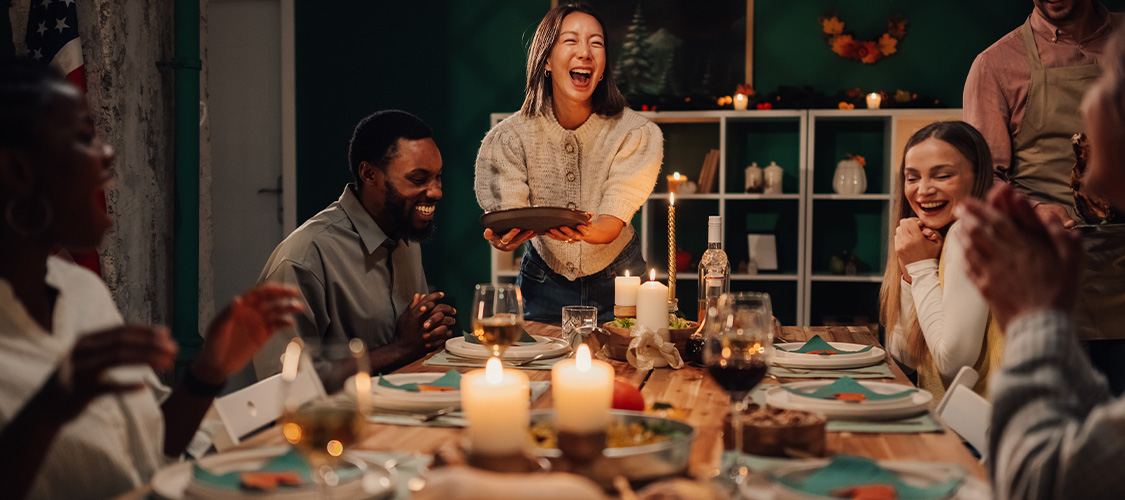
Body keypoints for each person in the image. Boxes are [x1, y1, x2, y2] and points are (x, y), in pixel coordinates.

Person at [0, 59, 303, 500]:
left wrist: (208, 372)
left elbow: (149, 451)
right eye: (84, 137)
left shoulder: (81, 291)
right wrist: (49, 408)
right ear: (19, 171)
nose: (107, 153)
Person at [958, 25, 1125, 500]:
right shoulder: (995, 61)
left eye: (1108, 84)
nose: (1086, 105)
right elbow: (1102, 450)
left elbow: (1040, 484)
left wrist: (1034, 320)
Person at [475, 2, 663, 324]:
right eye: (571, 40)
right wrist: (504, 236)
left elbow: (610, 225)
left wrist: (579, 228)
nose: (585, 53)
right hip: (542, 283)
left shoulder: (636, 133)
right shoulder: (509, 138)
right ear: (546, 59)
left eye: (596, 43)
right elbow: (511, 217)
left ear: (603, 66)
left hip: (622, 281)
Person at [254, 110, 455, 388]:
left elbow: (412, 346)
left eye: (438, 177)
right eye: (418, 179)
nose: (436, 192)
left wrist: (427, 331)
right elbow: (281, 384)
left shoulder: (405, 233)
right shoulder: (304, 257)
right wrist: (399, 349)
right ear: (369, 174)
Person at [879, 121, 999, 402]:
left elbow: (953, 366)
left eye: (942, 176)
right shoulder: (943, 236)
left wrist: (921, 269)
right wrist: (910, 274)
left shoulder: (970, 232)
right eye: (912, 178)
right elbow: (905, 357)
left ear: (978, 177)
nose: (923, 190)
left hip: (982, 428)